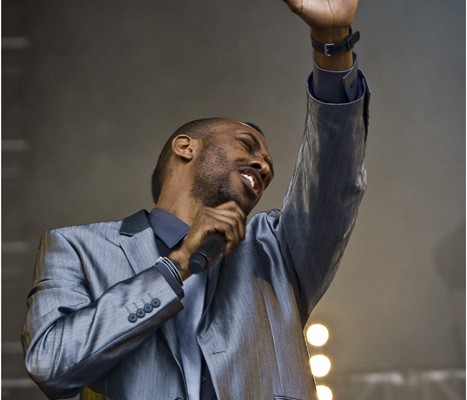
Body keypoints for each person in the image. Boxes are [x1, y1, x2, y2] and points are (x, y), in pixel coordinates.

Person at [22, 0, 370, 399]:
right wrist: (178, 265)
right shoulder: (76, 248)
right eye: (247, 144)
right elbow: (50, 363)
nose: (263, 163)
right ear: (185, 147)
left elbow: (333, 177)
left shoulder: (276, 249)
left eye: (268, 163)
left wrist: (332, 43)